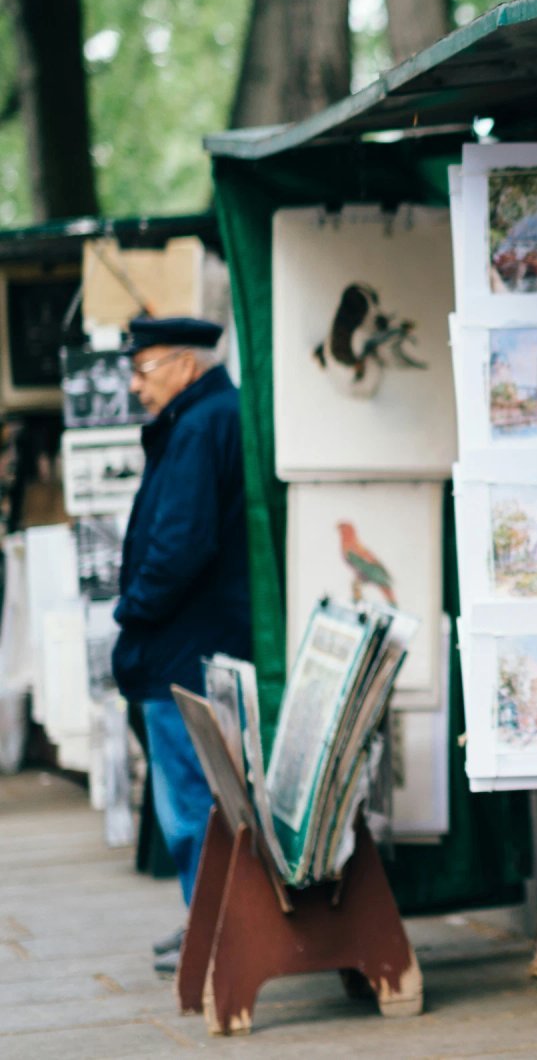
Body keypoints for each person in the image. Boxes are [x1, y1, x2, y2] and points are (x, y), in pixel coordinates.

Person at [110, 317, 251, 976]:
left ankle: (215, 929)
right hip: (195, 640)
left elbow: (181, 543)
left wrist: (134, 610)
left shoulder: (198, 424)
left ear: (184, 365)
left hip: (183, 644)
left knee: (192, 798)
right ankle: (206, 919)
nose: (136, 386)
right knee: (198, 794)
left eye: (144, 369)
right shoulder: (209, 416)